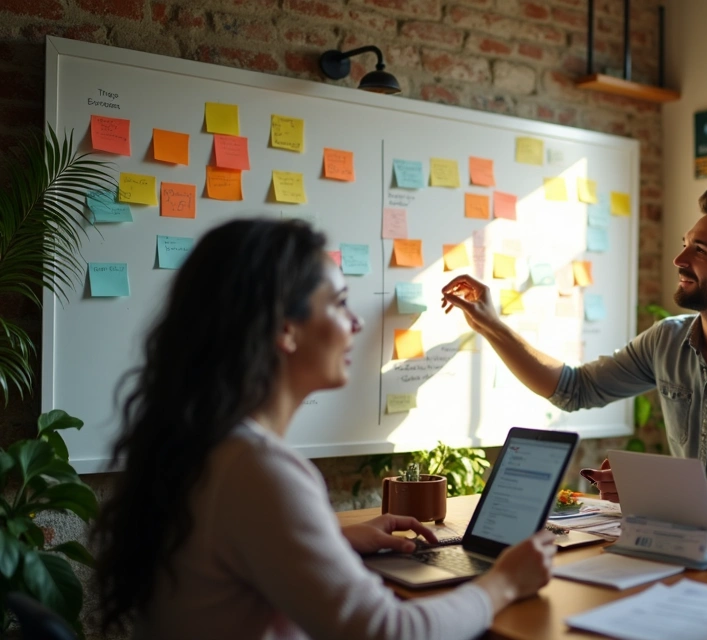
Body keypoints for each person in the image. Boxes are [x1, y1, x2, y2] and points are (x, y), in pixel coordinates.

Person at [92, 219, 555, 640]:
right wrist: (503, 583)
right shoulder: (258, 470)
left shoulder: (205, 446)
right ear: (286, 331)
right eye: (337, 304)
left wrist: (331, 543)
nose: (355, 323)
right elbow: (389, 633)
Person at [441, 185, 707, 504]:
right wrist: (492, 326)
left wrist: (649, 489)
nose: (679, 259)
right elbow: (574, 389)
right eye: (685, 244)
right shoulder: (667, 339)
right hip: (682, 536)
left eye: (699, 251)